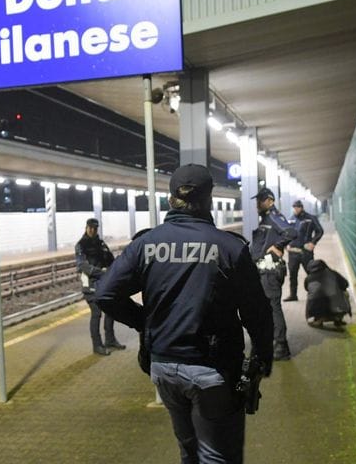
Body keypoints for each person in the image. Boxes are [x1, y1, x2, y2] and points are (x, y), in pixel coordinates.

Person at [96, 164, 273, 464]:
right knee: (217, 456)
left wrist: (146, 323)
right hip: (212, 372)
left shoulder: (145, 244)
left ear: (170, 200)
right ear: (208, 200)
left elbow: (105, 293)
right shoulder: (229, 248)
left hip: (163, 366)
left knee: (188, 449)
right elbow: (257, 311)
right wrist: (262, 357)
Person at [249, 187, 296, 361]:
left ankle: (281, 347)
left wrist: (278, 246)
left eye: (261, 200)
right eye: (257, 201)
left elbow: (291, 232)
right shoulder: (266, 219)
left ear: (270, 201)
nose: (257, 204)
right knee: (267, 308)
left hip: (270, 271)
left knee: (273, 308)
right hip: (264, 270)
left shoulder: (274, 217)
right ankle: (272, 343)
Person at [75, 218, 124, 355]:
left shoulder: (101, 244)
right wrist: (101, 273)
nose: (92, 230)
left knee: (110, 310)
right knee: (96, 313)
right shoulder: (81, 245)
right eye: (90, 227)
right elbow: (82, 265)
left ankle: (110, 340)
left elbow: (110, 260)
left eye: (95, 228)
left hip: (103, 283)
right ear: (86, 228)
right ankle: (97, 345)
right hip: (90, 285)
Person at [284, 199, 324, 302]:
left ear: (301, 208)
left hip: (306, 252)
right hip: (293, 252)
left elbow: (320, 231)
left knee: (311, 274)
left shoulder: (311, 218)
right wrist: (287, 245)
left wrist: (313, 243)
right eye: (294, 207)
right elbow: (287, 233)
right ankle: (293, 295)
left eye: (297, 207)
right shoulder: (291, 219)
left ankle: (316, 295)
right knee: (293, 275)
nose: (295, 209)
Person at [303, 259, 352, 328]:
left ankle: (319, 319)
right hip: (335, 306)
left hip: (315, 308)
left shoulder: (308, 278)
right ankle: (338, 318)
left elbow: (306, 289)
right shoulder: (333, 273)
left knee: (312, 295)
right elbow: (345, 284)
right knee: (345, 293)